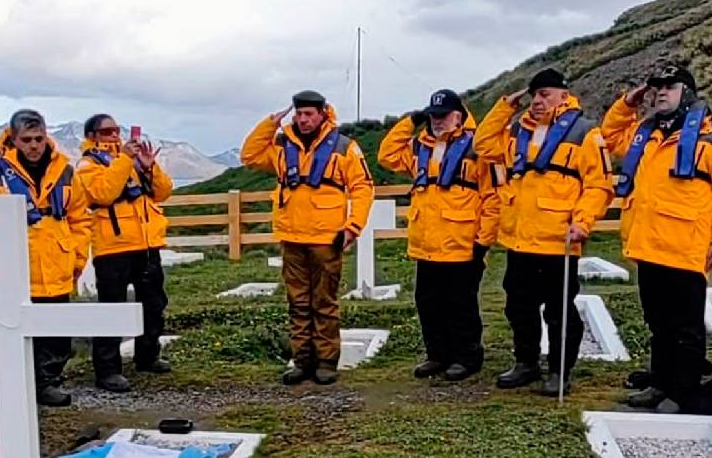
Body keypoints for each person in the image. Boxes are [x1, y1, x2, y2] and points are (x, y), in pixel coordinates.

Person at [474, 69, 614, 395]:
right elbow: (482, 144)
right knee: (518, 306)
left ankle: (559, 371)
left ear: (564, 96)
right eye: (534, 95)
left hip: (559, 240)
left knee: (559, 310)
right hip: (520, 240)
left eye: (545, 94)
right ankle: (526, 363)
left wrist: (583, 222)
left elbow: (598, 185)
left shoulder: (584, 133)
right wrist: (505, 106)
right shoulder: (517, 131)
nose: (538, 101)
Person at [0, 109, 90, 407]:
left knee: (57, 336)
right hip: (15, 272)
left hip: (57, 266)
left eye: (39, 139)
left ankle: (50, 381)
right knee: (18, 335)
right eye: (26, 140)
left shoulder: (66, 172)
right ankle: (27, 387)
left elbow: (81, 221)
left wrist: (77, 261)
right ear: (13, 139)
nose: (33, 146)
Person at [241, 90, 374, 385]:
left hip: (328, 238)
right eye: (298, 114)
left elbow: (363, 187)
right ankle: (302, 361)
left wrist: (353, 226)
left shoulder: (344, 147)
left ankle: (327, 362)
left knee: (324, 302)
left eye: (308, 114)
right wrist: (271, 123)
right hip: (292, 237)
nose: (302, 119)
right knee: (297, 302)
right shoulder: (281, 145)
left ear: (323, 113)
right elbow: (249, 155)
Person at [601, 64, 712, 415]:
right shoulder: (643, 134)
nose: (661, 92)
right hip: (647, 246)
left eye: (670, 86)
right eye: (656, 87)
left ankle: (684, 393)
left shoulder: (708, 139)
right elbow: (608, 133)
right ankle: (660, 383)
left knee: (687, 329)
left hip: (685, 248)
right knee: (658, 324)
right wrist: (628, 102)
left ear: (688, 93)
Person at [378, 89, 501, 381]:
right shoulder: (420, 147)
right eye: (433, 116)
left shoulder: (478, 147)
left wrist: (483, 243)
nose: (438, 122)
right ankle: (437, 356)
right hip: (426, 245)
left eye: (443, 116)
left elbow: (493, 199)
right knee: (429, 304)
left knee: (461, 306)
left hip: (462, 245)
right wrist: (411, 121)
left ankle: (467, 358)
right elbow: (386, 155)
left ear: (459, 115)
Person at [77, 115, 173, 393]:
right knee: (112, 309)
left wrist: (148, 166)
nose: (113, 136)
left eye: (116, 130)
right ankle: (107, 370)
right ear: (93, 135)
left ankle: (148, 356)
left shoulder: (128, 161)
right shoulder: (88, 164)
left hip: (145, 244)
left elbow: (163, 192)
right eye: (107, 131)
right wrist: (124, 162)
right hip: (112, 247)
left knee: (153, 304)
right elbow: (104, 193)